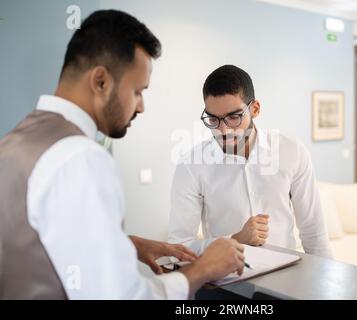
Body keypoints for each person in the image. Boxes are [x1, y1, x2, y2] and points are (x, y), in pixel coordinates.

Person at [0, 10, 244, 300]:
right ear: (101, 81)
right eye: (138, 91)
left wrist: (126, 244)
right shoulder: (81, 156)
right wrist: (204, 268)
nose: (141, 107)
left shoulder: (14, 142)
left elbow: (35, 241)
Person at [168, 65, 332, 258]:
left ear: (255, 109)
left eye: (234, 117)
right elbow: (178, 249)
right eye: (213, 120)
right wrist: (235, 240)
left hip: (287, 278)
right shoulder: (191, 166)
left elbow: (314, 233)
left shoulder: (291, 151)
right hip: (226, 281)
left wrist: (325, 284)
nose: (224, 130)